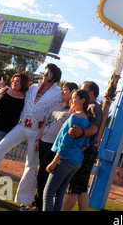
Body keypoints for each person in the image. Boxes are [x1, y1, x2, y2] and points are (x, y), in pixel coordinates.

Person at [0, 63, 62, 210]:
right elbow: (18, 92)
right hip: (22, 125)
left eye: (47, 74)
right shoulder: (34, 88)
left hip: (37, 131)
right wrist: (5, 87)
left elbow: (60, 108)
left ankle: (25, 200)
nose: (44, 75)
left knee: (31, 164)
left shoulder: (57, 94)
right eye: (44, 72)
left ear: (54, 77)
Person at [32, 82, 78, 211]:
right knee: (41, 174)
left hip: (54, 146)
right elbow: (45, 123)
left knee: (43, 175)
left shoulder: (72, 111)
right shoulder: (55, 106)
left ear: (72, 93)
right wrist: (38, 139)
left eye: (66, 90)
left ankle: (40, 205)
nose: (63, 91)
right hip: (44, 141)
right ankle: (38, 203)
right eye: (62, 89)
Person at [43, 89, 91, 211]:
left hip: (65, 159)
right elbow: (85, 143)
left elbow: (65, 143)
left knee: (48, 193)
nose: (71, 100)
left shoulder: (75, 117)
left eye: (74, 97)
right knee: (60, 194)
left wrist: (54, 162)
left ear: (82, 101)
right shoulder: (86, 120)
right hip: (76, 161)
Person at [62, 81, 103, 211]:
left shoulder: (92, 107)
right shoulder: (95, 107)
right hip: (92, 148)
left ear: (90, 93)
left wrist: (82, 132)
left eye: (83, 89)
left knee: (74, 186)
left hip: (87, 149)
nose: (79, 90)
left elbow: (95, 128)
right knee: (82, 187)